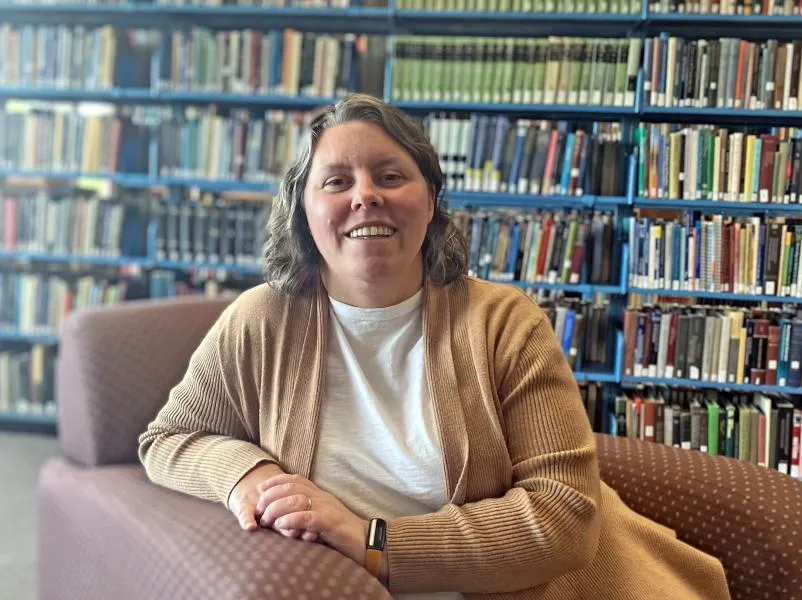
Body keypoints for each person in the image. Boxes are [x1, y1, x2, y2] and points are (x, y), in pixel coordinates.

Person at [138, 93, 731, 600]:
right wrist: (250, 477)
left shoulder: (505, 323)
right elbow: (167, 440)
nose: (365, 196)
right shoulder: (261, 319)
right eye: (337, 181)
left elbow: (564, 516)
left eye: (390, 175)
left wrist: (372, 541)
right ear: (304, 212)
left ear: (430, 201)